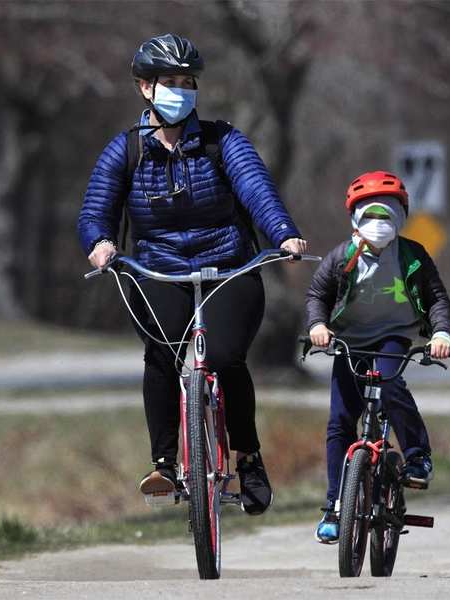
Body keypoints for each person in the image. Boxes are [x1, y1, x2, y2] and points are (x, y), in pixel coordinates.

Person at [77, 34, 306, 516]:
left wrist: (283, 234)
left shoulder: (224, 141)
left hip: (228, 266)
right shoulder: (126, 151)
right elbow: (95, 210)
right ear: (145, 88)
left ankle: (249, 458)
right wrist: (100, 243)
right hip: (157, 270)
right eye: (169, 82)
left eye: (188, 82)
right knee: (161, 356)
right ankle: (163, 462)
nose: (180, 91)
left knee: (225, 357)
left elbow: (256, 190)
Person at [304, 171, 450, 543]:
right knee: (340, 421)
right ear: (354, 218)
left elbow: (436, 297)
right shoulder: (342, 257)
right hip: (349, 340)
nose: (379, 224)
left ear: (401, 218)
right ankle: (336, 507)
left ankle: (418, 455)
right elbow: (317, 295)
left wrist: (441, 333)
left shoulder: (412, 256)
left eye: (387, 215)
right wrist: (317, 326)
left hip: (393, 336)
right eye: (370, 215)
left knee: (388, 384)